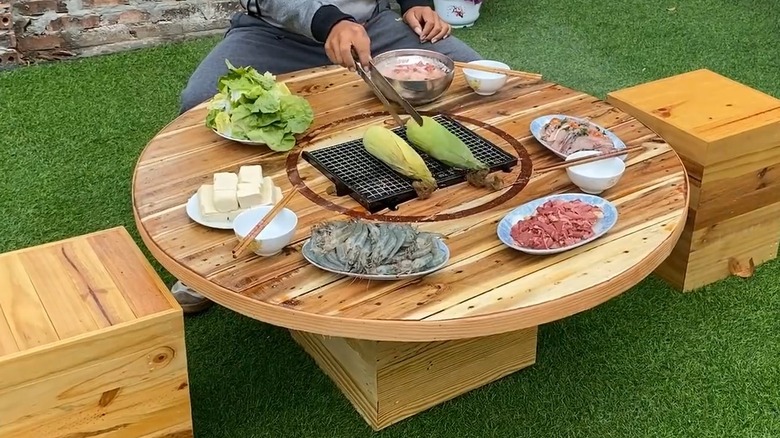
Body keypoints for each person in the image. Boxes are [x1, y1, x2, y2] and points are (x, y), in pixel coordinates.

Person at [172, 0, 483, 313]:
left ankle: (490, 217)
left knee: (478, 71)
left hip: (371, 30)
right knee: (200, 103)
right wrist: (330, 22)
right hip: (276, 34)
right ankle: (207, 258)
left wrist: (416, 4)